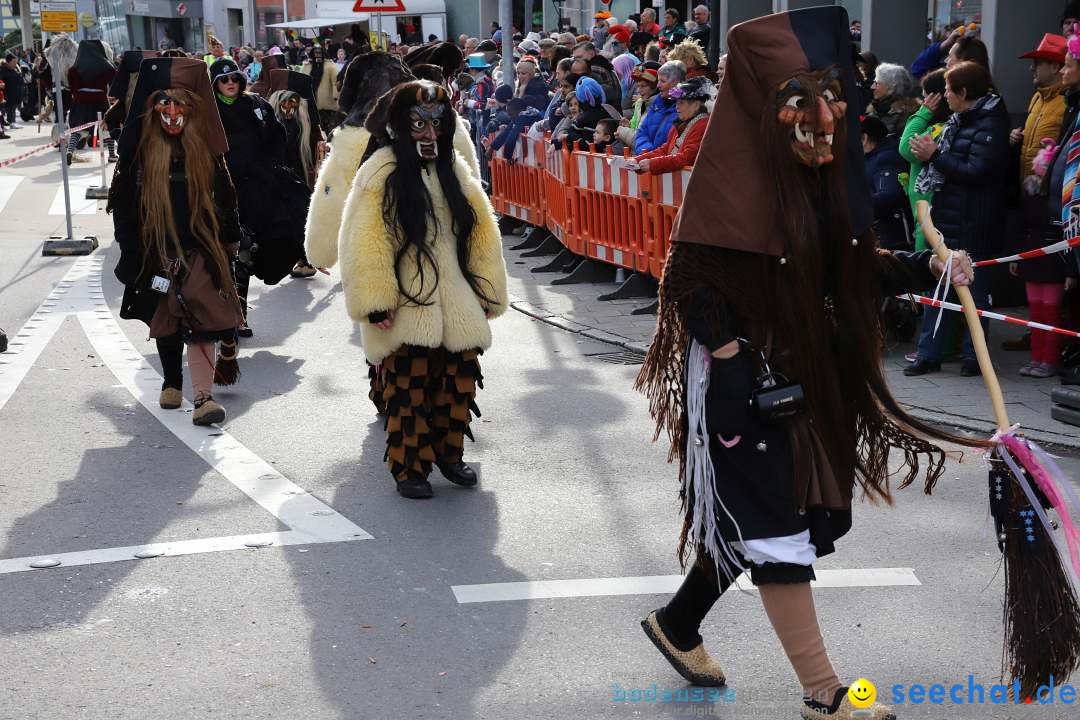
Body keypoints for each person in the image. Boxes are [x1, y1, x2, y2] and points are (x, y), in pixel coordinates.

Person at [634, 9, 977, 719]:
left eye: (827, 96)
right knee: (778, 528)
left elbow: (849, 261)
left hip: (795, 374)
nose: (824, 115)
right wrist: (730, 365)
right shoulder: (736, 177)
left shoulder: (813, 167)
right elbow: (690, 284)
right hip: (746, 382)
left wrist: (933, 265)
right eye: (804, 98)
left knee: (759, 519)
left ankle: (677, 623)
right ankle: (826, 694)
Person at [336, 80, 508, 499]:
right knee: (409, 387)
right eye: (418, 125)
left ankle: (450, 455)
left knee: (458, 379)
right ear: (399, 126)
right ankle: (409, 467)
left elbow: (482, 235)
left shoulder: (455, 170)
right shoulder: (380, 172)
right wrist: (376, 303)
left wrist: (487, 293)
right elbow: (364, 241)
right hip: (405, 300)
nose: (430, 135)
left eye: (436, 124)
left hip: (457, 297)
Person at [108, 57, 245, 425]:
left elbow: (225, 196)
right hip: (156, 250)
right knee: (166, 317)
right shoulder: (139, 156)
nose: (171, 110)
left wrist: (232, 236)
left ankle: (203, 398)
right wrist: (131, 248)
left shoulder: (206, 154)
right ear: (152, 108)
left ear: (192, 108)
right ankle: (172, 381)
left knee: (202, 321)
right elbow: (122, 204)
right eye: (163, 102)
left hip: (200, 249)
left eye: (179, 102)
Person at [905, 61, 1010, 377]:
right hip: (949, 218)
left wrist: (934, 156)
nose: (945, 95)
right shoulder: (960, 120)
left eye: (949, 90)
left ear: (963, 93)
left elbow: (976, 171)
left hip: (975, 221)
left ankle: (973, 356)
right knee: (938, 289)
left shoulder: (991, 123)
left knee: (975, 292)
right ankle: (929, 353)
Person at [209, 58, 308, 338]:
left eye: (235, 79)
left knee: (245, 254)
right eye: (224, 80)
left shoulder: (256, 105)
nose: (230, 84)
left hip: (255, 191)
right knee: (216, 256)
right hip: (216, 191)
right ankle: (215, 315)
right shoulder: (206, 111)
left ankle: (239, 317)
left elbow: (278, 136)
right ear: (214, 83)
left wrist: (269, 166)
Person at [267, 69, 325, 280]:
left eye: (293, 102)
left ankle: (306, 258)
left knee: (301, 215)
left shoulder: (307, 124)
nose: (288, 107)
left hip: (300, 177)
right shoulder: (271, 121)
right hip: (280, 177)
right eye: (284, 102)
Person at [898, 69, 950, 251]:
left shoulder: (940, 129)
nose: (922, 102)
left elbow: (906, 147)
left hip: (929, 221)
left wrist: (923, 112)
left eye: (925, 97)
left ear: (936, 99)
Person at [629, 76, 710, 174]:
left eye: (681, 103)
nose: (677, 107)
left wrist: (652, 164)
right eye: (676, 103)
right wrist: (637, 160)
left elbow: (687, 157)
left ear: (696, 105)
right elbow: (665, 149)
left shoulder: (703, 125)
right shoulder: (680, 123)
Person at [861, 115, 912, 249]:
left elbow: (888, 195)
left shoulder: (886, 157)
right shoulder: (867, 158)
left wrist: (853, 205)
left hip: (891, 241)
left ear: (864, 138)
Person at [66, 40, 115, 165]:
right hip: (100, 100)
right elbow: (114, 81)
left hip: (80, 100)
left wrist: (78, 94)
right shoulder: (106, 67)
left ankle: (70, 150)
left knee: (78, 128)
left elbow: (72, 87)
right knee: (106, 127)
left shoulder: (74, 69)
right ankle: (112, 154)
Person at [634, 60, 683, 153]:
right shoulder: (657, 103)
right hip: (648, 161)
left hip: (665, 164)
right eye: (658, 80)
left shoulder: (684, 109)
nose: (658, 85)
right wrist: (648, 152)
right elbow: (641, 133)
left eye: (662, 81)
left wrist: (654, 158)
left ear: (676, 82)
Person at [869, 63, 919, 136]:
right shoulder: (876, 109)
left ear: (892, 85)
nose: (872, 87)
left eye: (877, 83)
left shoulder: (907, 114)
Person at [302, 44, 340, 130]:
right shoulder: (307, 65)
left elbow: (335, 81)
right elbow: (302, 80)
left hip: (327, 101)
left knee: (328, 125)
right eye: (315, 52)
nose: (317, 54)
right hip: (310, 99)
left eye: (319, 52)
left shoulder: (330, 65)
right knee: (313, 126)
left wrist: (336, 95)